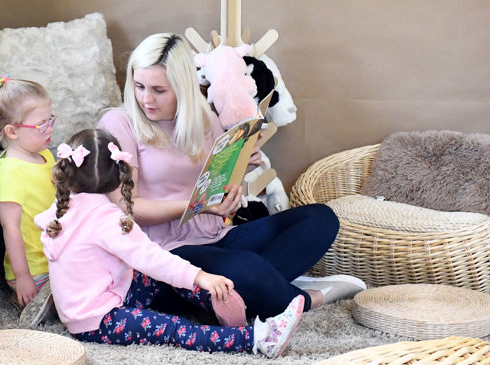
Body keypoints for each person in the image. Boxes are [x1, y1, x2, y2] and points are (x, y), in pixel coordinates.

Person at [100, 33, 362, 320]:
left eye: (159, 90)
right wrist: (195, 206)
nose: (146, 99)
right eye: (139, 86)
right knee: (246, 267)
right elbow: (128, 208)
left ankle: (253, 290)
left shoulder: (204, 119)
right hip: (165, 251)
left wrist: (241, 167)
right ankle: (302, 298)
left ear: (183, 87)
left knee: (320, 219)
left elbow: (213, 183)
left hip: (217, 234)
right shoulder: (119, 123)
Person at [38, 129, 303, 357]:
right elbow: (151, 257)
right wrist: (201, 277)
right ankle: (258, 339)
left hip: (96, 298)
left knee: (157, 278)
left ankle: (217, 303)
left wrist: (198, 279)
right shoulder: (105, 218)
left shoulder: (62, 207)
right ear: (120, 174)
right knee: (174, 328)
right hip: (98, 319)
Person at [0, 77, 59, 308]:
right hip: (34, 269)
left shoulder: (46, 155)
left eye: (50, 120)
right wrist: (23, 277)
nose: (50, 129)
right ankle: (38, 302)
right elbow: (10, 228)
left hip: (57, 256)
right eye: (42, 124)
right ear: (12, 132)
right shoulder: (11, 171)